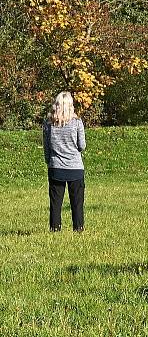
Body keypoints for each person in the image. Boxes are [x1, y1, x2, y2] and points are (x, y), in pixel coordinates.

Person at [42, 91, 86, 232]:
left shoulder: (48, 124)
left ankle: (55, 228)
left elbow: (47, 147)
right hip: (75, 167)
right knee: (77, 202)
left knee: (55, 202)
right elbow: (82, 145)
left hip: (56, 167)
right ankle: (78, 228)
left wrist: (49, 161)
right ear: (70, 105)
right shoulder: (77, 122)